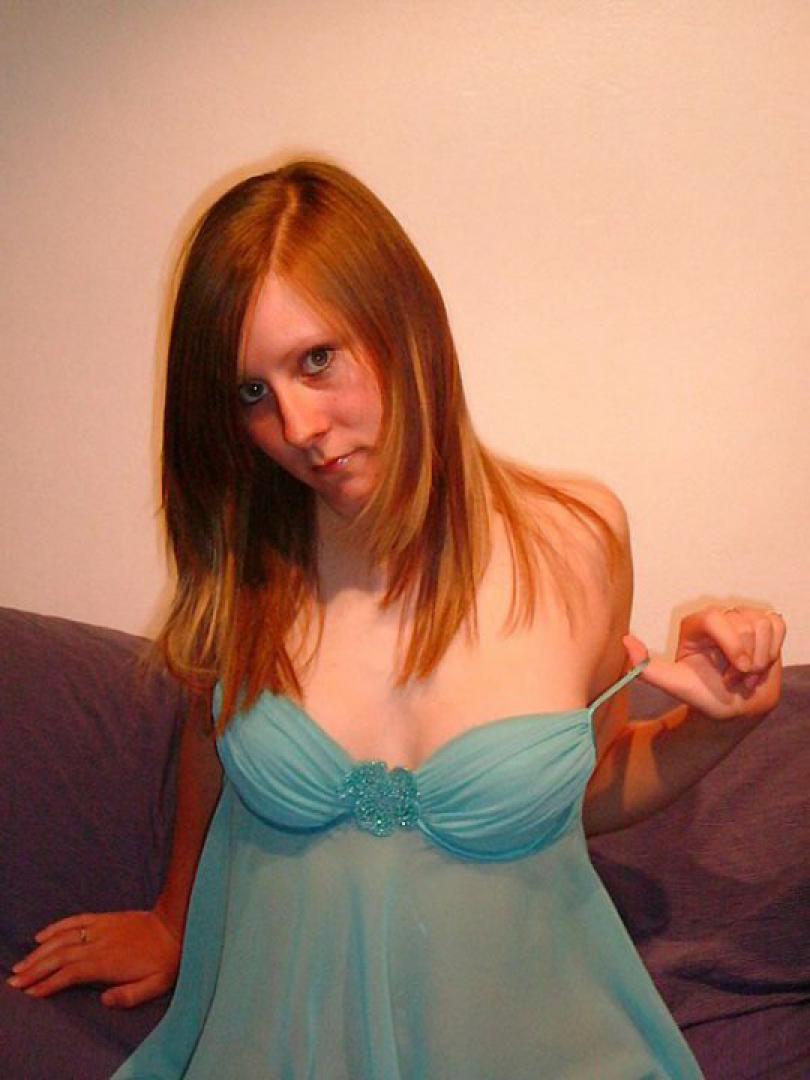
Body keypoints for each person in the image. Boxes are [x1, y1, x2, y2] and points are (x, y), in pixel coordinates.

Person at [9, 161, 785, 1078]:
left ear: (405, 320)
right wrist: (173, 921)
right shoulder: (249, 561)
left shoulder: (579, 537)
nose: (299, 426)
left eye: (316, 360)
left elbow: (583, 787)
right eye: (253, 393)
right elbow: (210, 740)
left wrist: (722, 724)